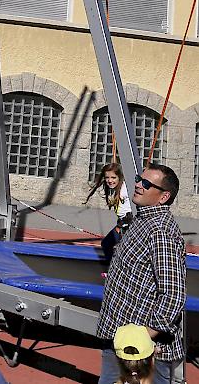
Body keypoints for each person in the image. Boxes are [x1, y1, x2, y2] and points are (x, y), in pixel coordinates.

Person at [97, 164, 186, 384]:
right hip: (121, 339)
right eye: (139, 179)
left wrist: (142, 338)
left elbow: (173, 294)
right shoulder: (143, 220)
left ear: (163, 196)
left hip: (139, 353)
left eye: (146, 184)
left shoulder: (160, 231)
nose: (138, 184)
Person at [85, 161, 133, 262]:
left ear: (120, 177)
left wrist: (121, 226)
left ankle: (115, 270)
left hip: (127, 226)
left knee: (112, 246)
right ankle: (112, 268)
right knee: (106, 244)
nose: (109, 180)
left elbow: (131, 212)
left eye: (113, 178)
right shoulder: (118, 189)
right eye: (107, 178)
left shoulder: (125, 190)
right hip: (123, 224)